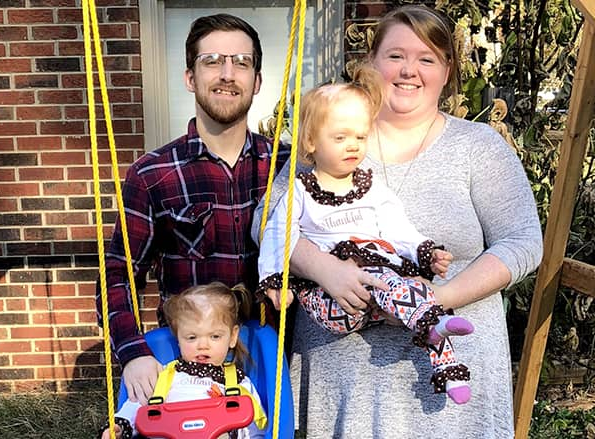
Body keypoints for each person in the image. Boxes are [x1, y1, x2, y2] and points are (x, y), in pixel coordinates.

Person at [253, 5, 543, 437]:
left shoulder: (477, 146)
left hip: (450, 395)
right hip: (345, 382)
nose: (410, 70)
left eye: (427, 59)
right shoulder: (333, 135)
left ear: (447, 72)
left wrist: (439, 298)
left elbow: (522, 242)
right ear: (371, 64)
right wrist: (325, 269)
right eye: (395, 56)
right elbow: (266, 222)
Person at [96, 13, 288, 408]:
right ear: (189, 77)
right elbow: (118, 274)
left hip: (274, 358)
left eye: (242, 62)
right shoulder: (153, 175)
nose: (228, 74)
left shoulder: (286, 167)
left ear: (257, 81)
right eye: (212, 61)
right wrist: (132, 353)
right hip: (189, 368)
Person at [254, 66, 475, 404]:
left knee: (408, 287)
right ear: (311, 141)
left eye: (360, 136)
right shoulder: (300, 190)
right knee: (388, 286)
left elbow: (396, 226)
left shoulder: (370, 186)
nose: (353, 146)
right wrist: (273, 280)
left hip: (379, 290)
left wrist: (424, 251)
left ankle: (443, 356)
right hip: (333, 300)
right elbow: (276, 233)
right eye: (340, 137)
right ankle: (429, 325)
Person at [99, 282, 267, 439]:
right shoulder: (165, 376)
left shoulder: (238, 383)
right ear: (178, 338)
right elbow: (137, 406)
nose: (203, 345)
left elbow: (255, 426)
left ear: (233, 336)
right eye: (192, 337)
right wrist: (120, 425)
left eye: (215, 336)